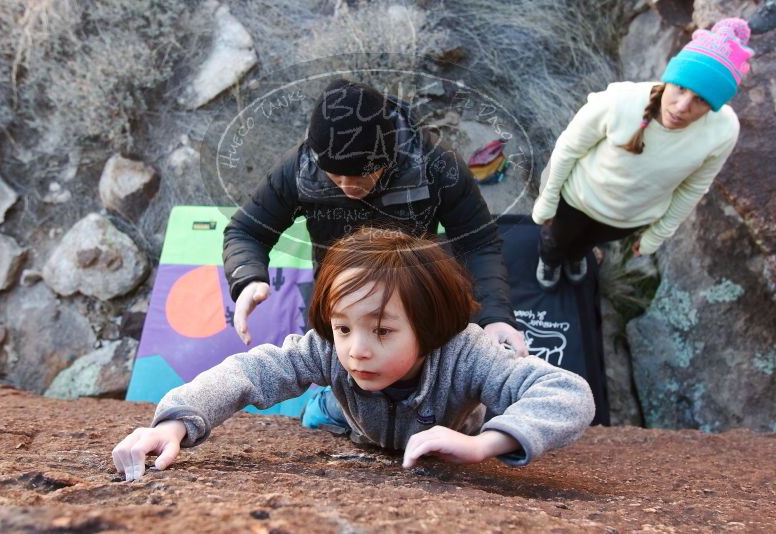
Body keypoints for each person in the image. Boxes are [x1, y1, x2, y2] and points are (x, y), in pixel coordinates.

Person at [112, 228, 594, 481]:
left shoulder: (468, 354)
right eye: (342, 327)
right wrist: (173, 423)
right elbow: (249, 370)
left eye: (383, 330)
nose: (357, 349)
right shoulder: (333, 351)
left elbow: (567, 392)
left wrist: (483, 445)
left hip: (440, 427)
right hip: (352, 415)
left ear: (429, 329)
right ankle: (325, 407)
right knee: (321, 409)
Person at [223, 78, 528, 356]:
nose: (347, 187)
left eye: (362, 175)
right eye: (335, 176)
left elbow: (479, 243)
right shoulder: (299, 169)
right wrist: (248, 277)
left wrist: (495, 316)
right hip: (342, 307)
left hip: (415, 300)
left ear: (389, 156)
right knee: (345, 397)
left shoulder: (435, 164)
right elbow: (247, 231)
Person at [532, 18, 754, 290]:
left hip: (628, 220)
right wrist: (548, 197)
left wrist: (657, 235)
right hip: (577, 202)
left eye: (702, 100)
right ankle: (551, 261)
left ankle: (577, 257)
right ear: (670, 78)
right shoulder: (618, 101)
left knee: (586, 243)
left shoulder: (724, 130)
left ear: (715, 106)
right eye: (681, 88)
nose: (682, 106)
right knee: (556, 240)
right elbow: (568, 149)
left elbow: (693, 187)